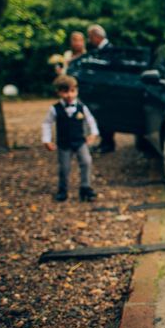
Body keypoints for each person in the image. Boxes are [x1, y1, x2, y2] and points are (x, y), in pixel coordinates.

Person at [41, 75, 99, 202]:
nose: (69, 95)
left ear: (76, 91)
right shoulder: (54, 109)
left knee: (86, 162)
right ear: (59, 92)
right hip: (64, 143)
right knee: (64, 167)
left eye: (72, 91)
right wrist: (47, 140)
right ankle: (63, 190)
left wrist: (93, 133)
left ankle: (86, 188)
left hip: (80, 141)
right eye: (65, 92)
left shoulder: (81, 107)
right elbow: (47, 123)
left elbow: (90, 120)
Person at [86, 24, 115, 153]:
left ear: (96, 36)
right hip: (101, 90)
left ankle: (108, 144)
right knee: (101, 117)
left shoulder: (109, 49)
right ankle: (105, 142)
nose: (89, 40)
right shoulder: (101, 49)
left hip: (107, 91)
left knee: (106, 116)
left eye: (90, 37)